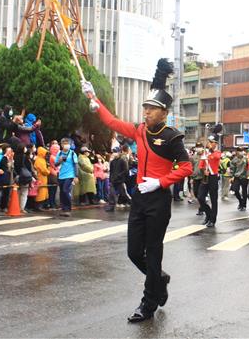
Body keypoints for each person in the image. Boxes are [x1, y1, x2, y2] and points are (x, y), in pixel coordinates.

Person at [82, 58, 192, 323]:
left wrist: (162, 181)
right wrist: (95, 101)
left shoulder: (172, 137)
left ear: (164, 113)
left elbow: (186, 167)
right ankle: (159, 278)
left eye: (152, 109)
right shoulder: (140, 131)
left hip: (158, 200)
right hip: (140, 199)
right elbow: (113, 123)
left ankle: (148, 302)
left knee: (153, 252)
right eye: (145, 108)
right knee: (134, 252)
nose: (146, 113)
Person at [197, 135, 221, 227]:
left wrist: (210, 151)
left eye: (212, 142)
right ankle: (208, 213)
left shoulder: (217, 152)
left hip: (213, 177)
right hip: (206, 176)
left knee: (213, 199)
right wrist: (204, 171)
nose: (210, 144)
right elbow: (201, 165)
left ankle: (212, 219)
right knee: (200, 197)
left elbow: (216, 158)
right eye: (209, 142)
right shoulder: (205, 153)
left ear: (216, 143)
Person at [54, 138, 79, 217]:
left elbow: (75, 165)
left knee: (65, 190)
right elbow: (55, 164)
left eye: (67, 143)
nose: (66, 145)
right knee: (62, 192)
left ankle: (68, 208)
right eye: (64, 143)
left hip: (70, 175)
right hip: (61, 175)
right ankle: (63, 208)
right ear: (61, 145)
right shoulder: (59, 153)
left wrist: (76, 176)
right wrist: (60, 160)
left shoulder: (72, 153)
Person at [229, 147, 248, 211]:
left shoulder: (246, 158)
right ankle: (241, 201)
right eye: (240, 151)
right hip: (237, 177)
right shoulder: (234, 160)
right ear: (237, 152)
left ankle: (244, 205)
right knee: (235, 190)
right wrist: (231, 176)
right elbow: (232, 169)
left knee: (244, 191)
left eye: (242, 151)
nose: (241, 152)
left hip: (244, 177)